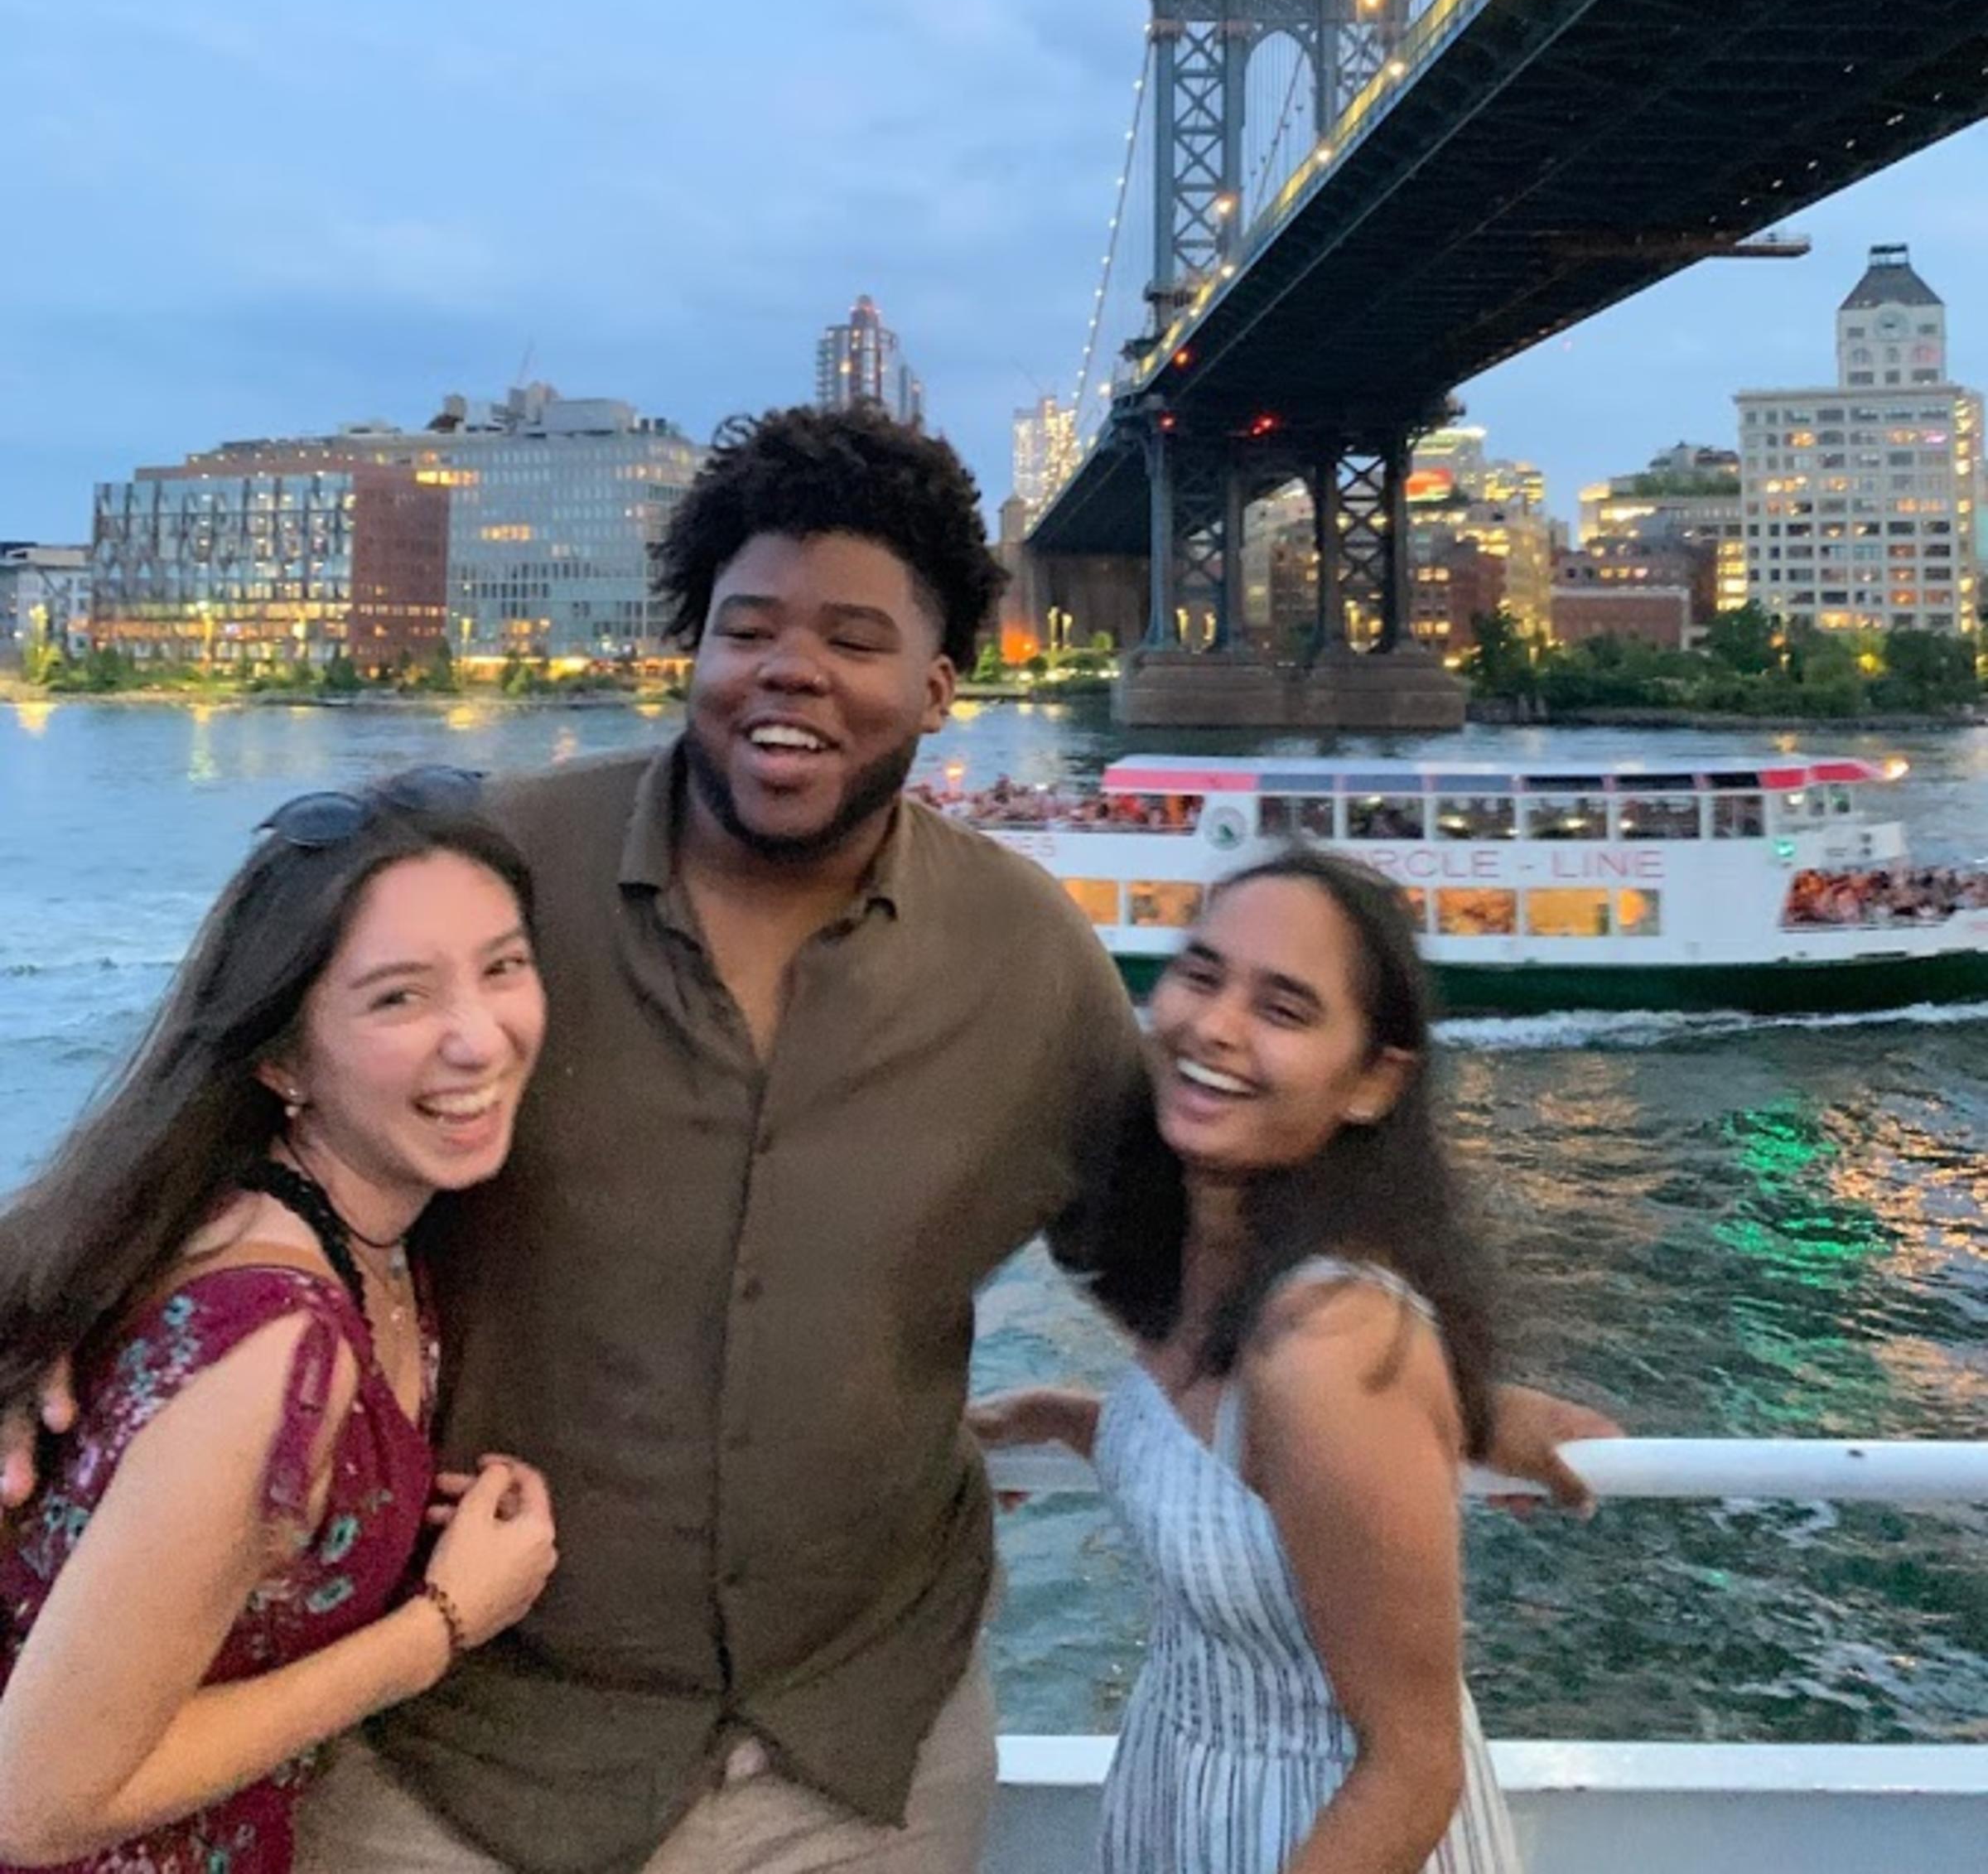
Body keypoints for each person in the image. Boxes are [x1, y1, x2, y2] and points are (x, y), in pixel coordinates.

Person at [6, 408, 1612, 1874]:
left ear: (937, 683)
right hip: (460, 1759)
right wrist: (44, 1307)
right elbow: (233, 1082)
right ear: (689, 649)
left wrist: (1434, 1394)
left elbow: (1168, 1250)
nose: (792, 670)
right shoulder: (501, 882)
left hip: (861, 1766)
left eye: (857, 636)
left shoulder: (1025, 954)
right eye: (748, 625)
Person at [0, 771, 557, 1872]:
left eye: (503, 968)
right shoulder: (270, 1341)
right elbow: (34, 1801)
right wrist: (441, 1622)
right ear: (283, 1058)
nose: (479, 1038)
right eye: (398, 997)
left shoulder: (329, 1231)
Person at [972, 849, 1522, 1874]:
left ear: (1372, 1083)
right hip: (1192, 1802)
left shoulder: (1328, 1344)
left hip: (1315, 1834)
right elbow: (1241, 1488)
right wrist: (1061, 1416)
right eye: (1202, 973)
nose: (1215, 1025)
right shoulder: (1211, 1280)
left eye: (1284, 1008)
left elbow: (1412, 1766)